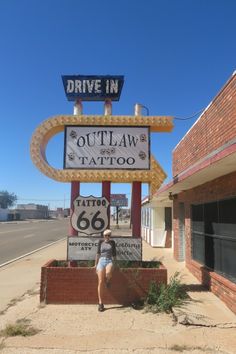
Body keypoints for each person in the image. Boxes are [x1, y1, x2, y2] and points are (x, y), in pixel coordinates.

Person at [95, 229, 116, 312]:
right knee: (100, 281)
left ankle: (108, 281)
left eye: (109, 235)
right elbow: (97, 254)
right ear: (103, 236)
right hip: (101, 261)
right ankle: (100, 303)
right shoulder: (100, 242)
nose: (107, 237)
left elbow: (114, 254)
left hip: (109, 261)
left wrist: (115, 264)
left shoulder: (112, 243)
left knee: (108, 274)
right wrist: (95, 264)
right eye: (106, 235)